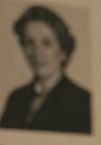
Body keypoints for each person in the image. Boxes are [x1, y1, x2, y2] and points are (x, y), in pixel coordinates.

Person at [1, 5, 91, 133]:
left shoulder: (83, 102)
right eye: (30, 43)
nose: (37, 52)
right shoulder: (16, 99)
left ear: (63, 51)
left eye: (46, 43)